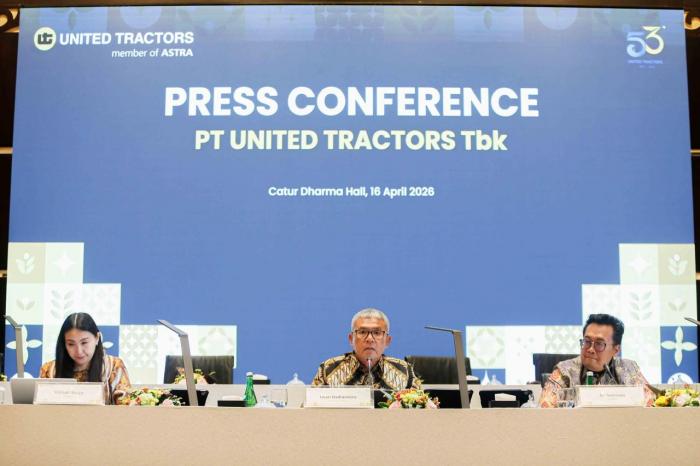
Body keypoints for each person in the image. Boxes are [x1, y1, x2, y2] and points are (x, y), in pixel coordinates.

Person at [539, 313, 655, 407]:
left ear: (616, 349)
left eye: (599, 344)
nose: (590, 349)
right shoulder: (565, 371)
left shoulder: (629, 369)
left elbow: (651, 403)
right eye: (587, 341)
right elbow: (545, 408)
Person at [312, 308, 421, 390]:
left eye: (377, 333)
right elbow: (311, 407)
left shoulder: (404, 371)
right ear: (351, 339)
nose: (369, 339)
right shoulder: (328, 369)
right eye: (362, 332)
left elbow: (422, 406)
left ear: (387, 341)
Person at [40, 312, 131, 404]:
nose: (79, 351)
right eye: (71, 344)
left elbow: (125, 406)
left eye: (84, 343)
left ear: (97, 338)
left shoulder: (113, 366)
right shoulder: (50, 370)